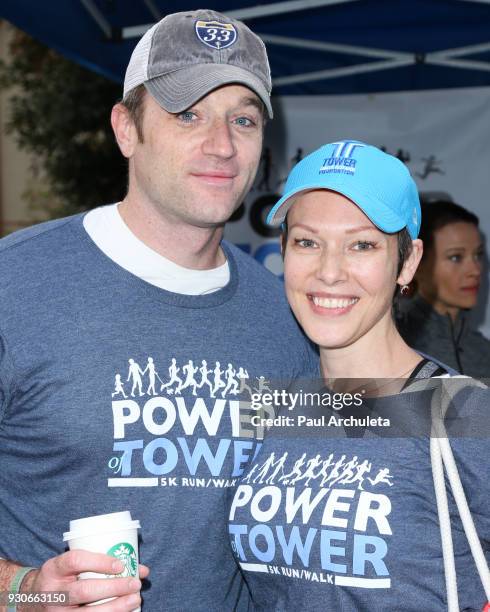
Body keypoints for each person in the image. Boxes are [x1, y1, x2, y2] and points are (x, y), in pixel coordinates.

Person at [0, 10, 318, 611]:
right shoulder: (13, 287)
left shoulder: (287, 318)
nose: (221, 145)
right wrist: (24, 591)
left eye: (243, 120)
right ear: (126, 129)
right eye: (187, 114)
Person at [228, 141, 489, 610]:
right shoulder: (272, 407)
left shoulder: (465, 416)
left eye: (362, 244)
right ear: (283, 251)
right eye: (307, 242)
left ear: (407, 262)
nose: (329, 272)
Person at [397, 200, 490, 377]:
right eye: (456, 257)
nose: (476, 270)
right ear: (416, 264)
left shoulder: (483, 351)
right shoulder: (395, 344)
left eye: (478, 255)